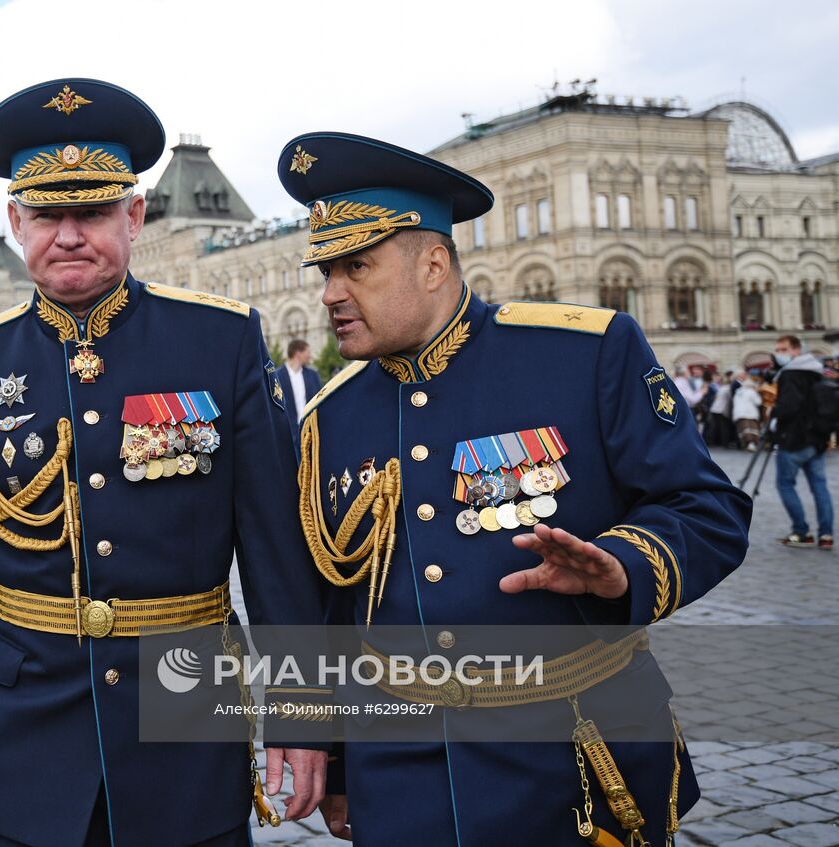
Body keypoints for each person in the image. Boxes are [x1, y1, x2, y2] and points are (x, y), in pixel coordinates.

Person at [277, 131, 752, 846]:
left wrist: (622, 565)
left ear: (433, 263)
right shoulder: (330, 419)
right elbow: (341, 608)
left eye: (355, 266)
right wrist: (340, 760)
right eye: (325, 270)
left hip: (572, 754)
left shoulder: (584, 352)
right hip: (403, 774)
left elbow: (707, 506)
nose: (330, 293)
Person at [0, 78, 329, 847]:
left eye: (93, 212)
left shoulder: (222, 340)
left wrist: (306, 715)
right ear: (14, 222)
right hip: (25, 711)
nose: (68, 234)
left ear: (134, 216)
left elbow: (274, 548)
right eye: (45, 215)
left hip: (186, 708)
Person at [771, 335, 833, 549]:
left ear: (796, 349)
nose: (780, 353)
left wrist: (774, 411)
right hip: (817, 439)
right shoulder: (817, 372)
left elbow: (789, 407)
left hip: (794, 439)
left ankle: (801, 531)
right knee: (819, 486)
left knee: (785, 484)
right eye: (778, 349)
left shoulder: (791, 374)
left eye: (784, 348)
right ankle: (826, 534)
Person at [275, 338, 323, 429]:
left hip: (310, 430)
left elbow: (320, 400)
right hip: (287, 432)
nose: (310, 356)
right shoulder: (277, 377)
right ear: (298, 354)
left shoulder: (313, 375)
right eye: (307, 352)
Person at [733, 374, 763, 451]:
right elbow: (758, 402)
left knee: (743, 430)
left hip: (739, 414)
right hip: (750, 414)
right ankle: (751, 444)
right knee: (752, 429)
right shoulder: (751, 392)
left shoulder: (738, 392)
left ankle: (745, 445)